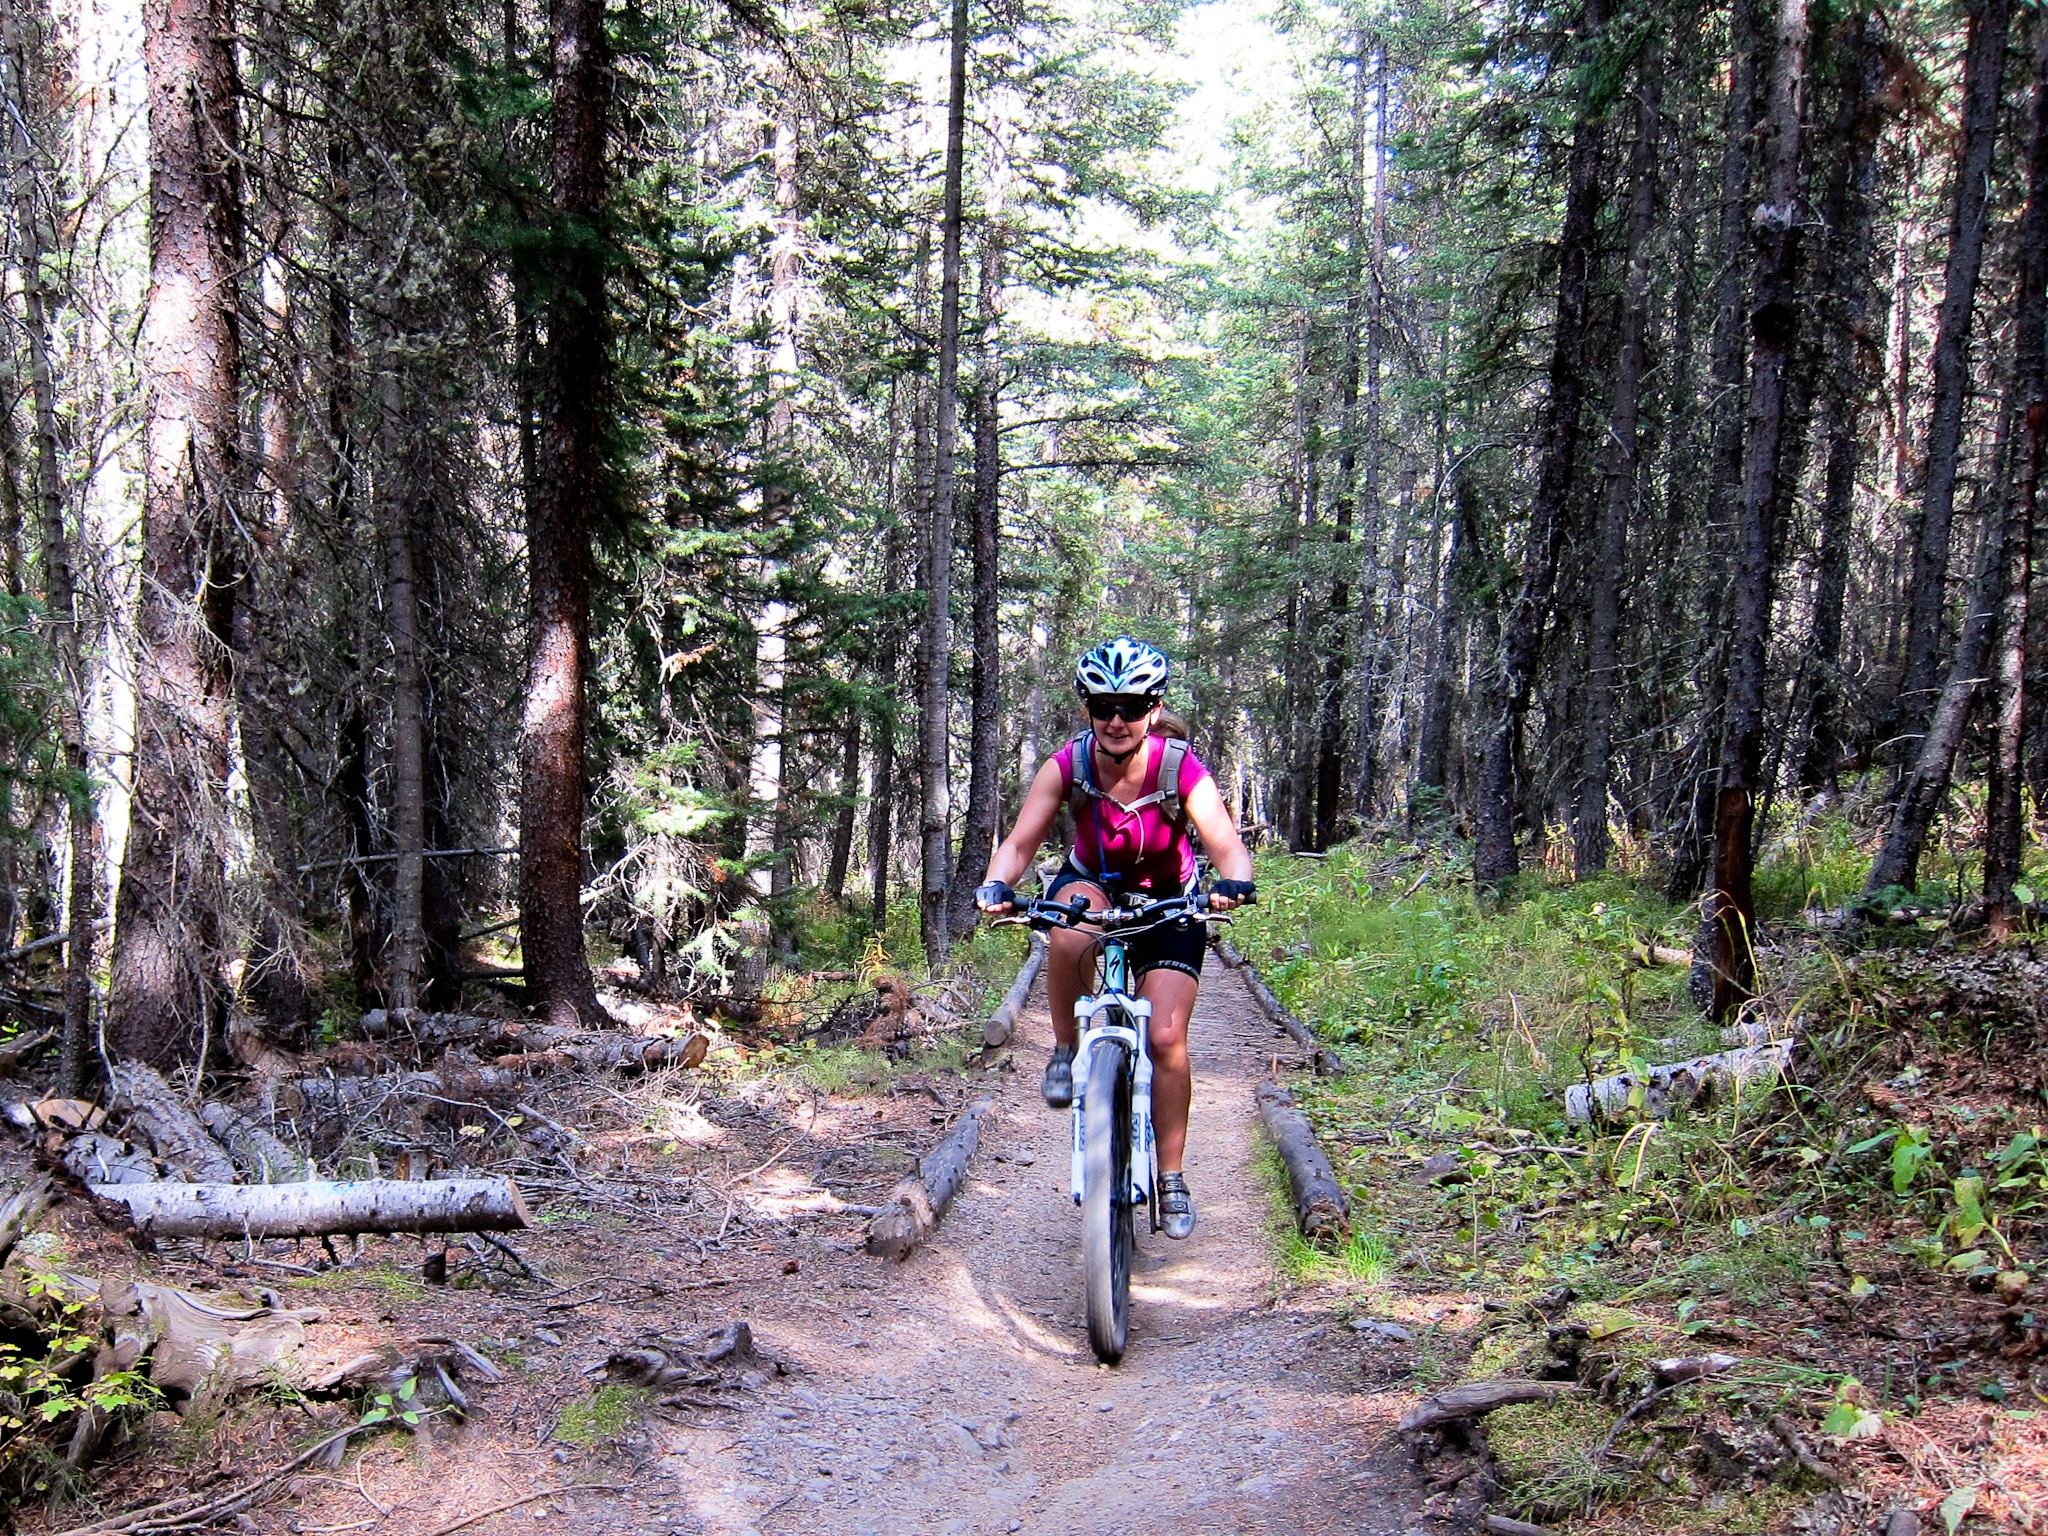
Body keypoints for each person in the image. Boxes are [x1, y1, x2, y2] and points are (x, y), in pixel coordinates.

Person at [974, 636, 1255, 1240]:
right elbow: (1021, 843)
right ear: (1087, 709)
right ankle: (1065, 1049)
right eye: (1104, 705)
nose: (1118, 719)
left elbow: (1225, 841)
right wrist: (998, 883)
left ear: (1154, 708)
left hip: (1172, 897)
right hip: (1093, 880)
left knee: (1164, 1034)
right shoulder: (1067, 765)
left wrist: (1233, 880)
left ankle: (1173, 1175)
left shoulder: (1180, 768)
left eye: (1132, 705)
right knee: (1069, 928)